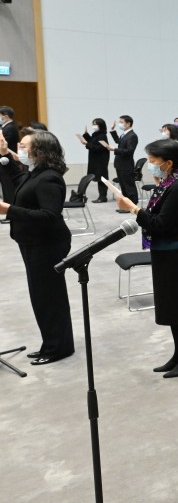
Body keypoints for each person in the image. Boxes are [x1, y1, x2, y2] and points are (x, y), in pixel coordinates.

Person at [115, 139, 178, 378]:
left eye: (153, 162)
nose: (149, 165)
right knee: (171, 305)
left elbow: (160, 223)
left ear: (168, 162)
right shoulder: (167, 182)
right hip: (165, 252)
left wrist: (133, 208)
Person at [0, 130, 75, 365]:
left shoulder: (50, 178)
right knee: (41, 296)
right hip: (33, 243)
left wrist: (8, 210)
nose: (19, 149)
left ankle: (58, 348)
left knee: (49, 297)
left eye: (23, 146)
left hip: (47, 245)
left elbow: (49, 215)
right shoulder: (35, 173)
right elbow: (18, 181)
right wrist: (3, 154)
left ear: (39, 150)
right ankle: (51, 343)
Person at [108, 114, 139, 206]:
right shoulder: (125, 134)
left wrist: (114, 149)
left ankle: (132, 204)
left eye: (121, 122)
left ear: (128, 124)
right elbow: (119, 141)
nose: (119, 124)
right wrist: (113, 130)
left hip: (126, 164)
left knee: (128, 186)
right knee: (123, 186)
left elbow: (129, 151)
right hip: (120, 164)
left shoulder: (132, 135)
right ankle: (126, 204)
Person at [77, 118, 111, 202]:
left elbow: (100, 147)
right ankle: (101, 196)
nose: (93, 126)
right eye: (93, 124)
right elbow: (93, 142)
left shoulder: (102, 135)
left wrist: (86, 144)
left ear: (100, 125)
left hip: (100, 160)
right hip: (95, 159)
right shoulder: (96, 134)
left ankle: (103, 196)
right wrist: (86, 135)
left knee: (101, 178)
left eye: (95, 124)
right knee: (97, 177)